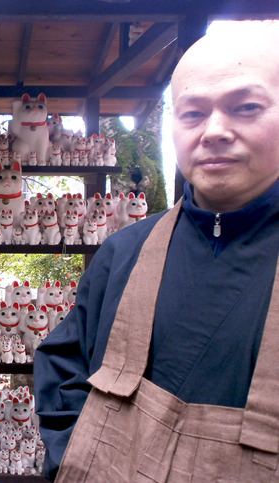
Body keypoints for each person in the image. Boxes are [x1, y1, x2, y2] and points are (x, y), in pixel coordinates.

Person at [34, 22, 279, 482]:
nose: (215, 131)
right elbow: (63, 363)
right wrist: (74, 457)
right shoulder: (125, 251)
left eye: (246, 107)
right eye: (192, 113)